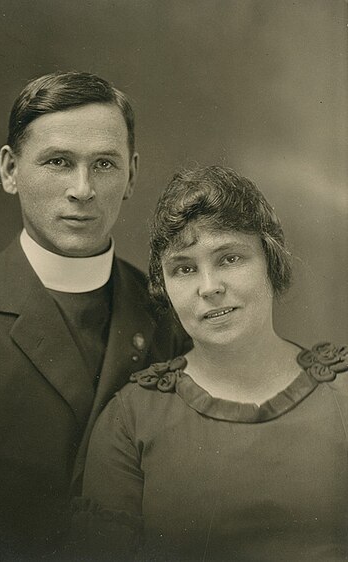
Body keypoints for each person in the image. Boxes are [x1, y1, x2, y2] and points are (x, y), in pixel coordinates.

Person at [0, 71, 189, 561]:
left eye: (105, 165)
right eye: (58, 162)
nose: (83, 189)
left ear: (132, 175)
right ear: (10, 170)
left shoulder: (168, 311)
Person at [72, 165, 348, 561]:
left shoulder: (342, 392)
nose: (209, 287)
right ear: (164, 287)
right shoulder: (131, 420)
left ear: (271, 263)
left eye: (230, 258)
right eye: (184, 269)